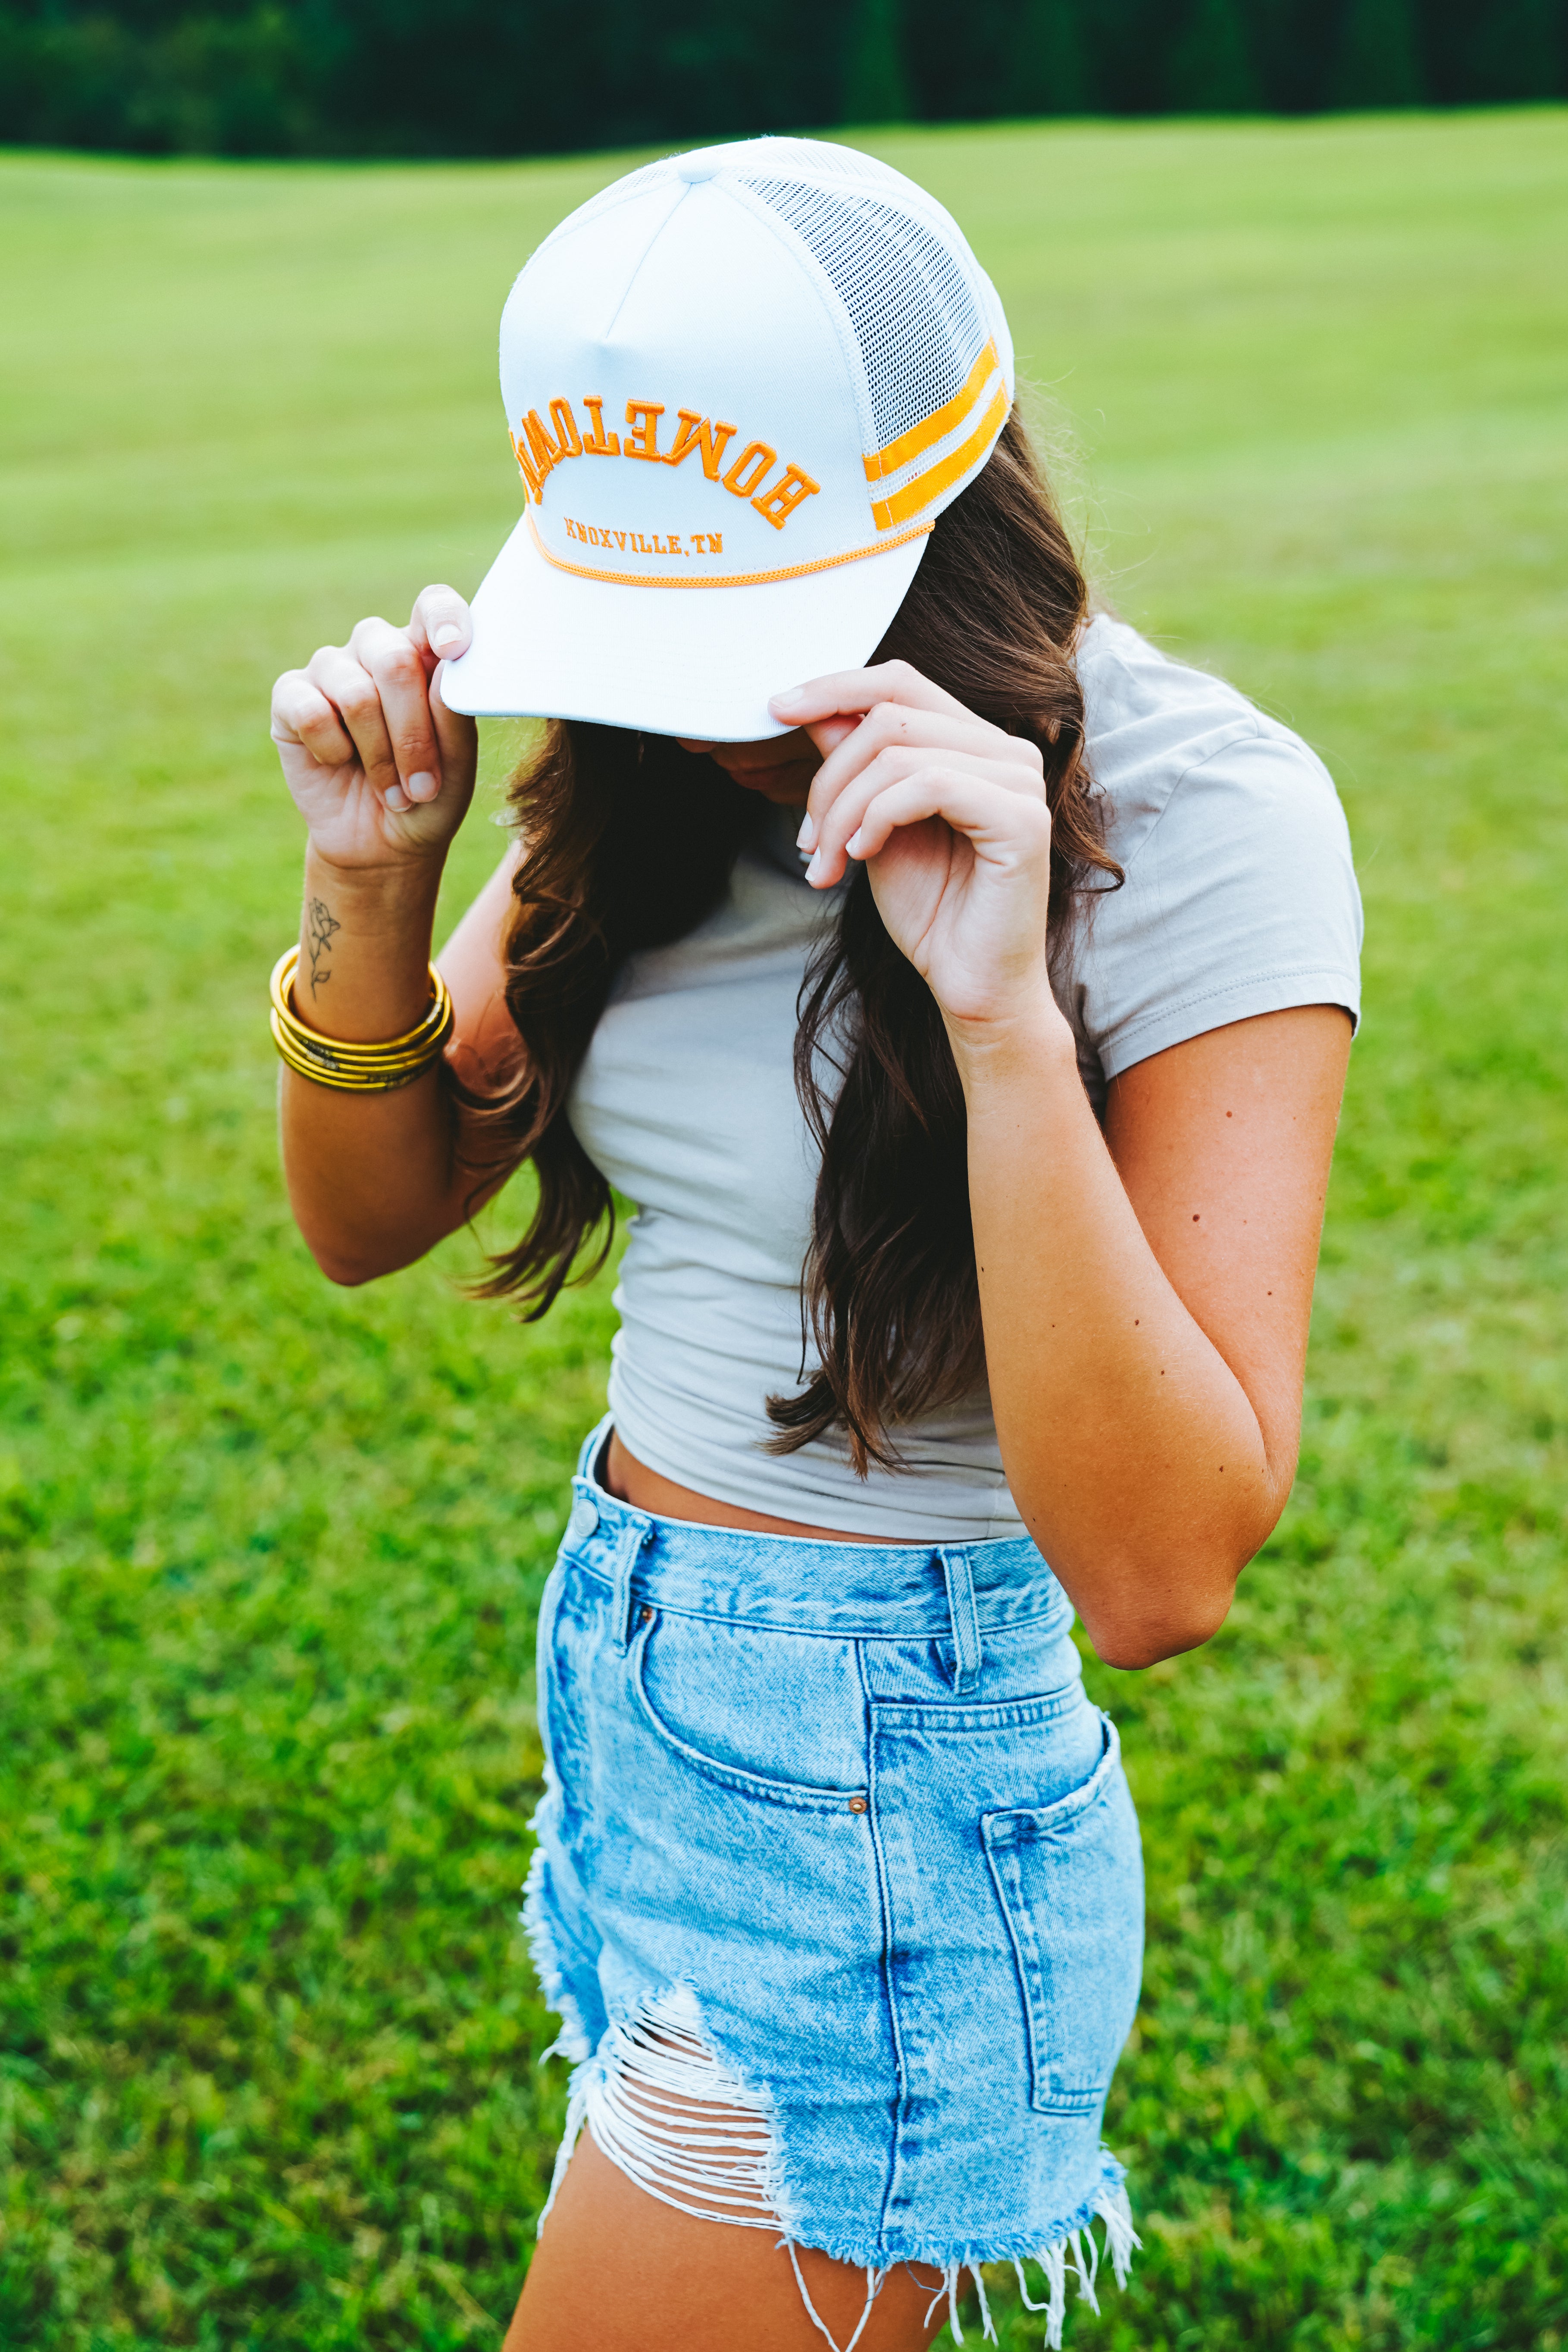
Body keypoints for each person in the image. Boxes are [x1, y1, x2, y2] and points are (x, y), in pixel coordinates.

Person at [268, 139, 1361, 2352]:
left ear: (939, 512)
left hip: (885, 1793)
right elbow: (368, 1225)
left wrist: (999, 1013)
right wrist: (375, 897)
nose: (707, 708)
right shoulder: (656, 766)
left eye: (746, 628)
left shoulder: (1206, 815)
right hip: (641, 1704)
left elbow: (1164, 1571)